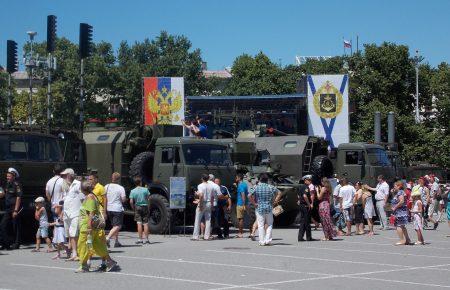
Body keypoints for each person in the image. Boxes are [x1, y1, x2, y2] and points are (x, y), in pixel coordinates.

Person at [77, 181, 117, 273]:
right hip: (91, 226)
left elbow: (91, 212)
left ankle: (84, 266)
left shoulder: (90, 197)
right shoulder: (91, 196)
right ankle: (109, 261)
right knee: (97, 245)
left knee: (82, 245)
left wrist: (89, 226)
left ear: (82, 189)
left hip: (87, 226)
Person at [249, 174, 282, 246]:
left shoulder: (256, 187)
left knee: (260, 225)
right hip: (269, 208)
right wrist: (275, 202)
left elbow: (249, 195)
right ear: (267, 180)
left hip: (259, 208)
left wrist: (254, 203)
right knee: (269, 224)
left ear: (260, 180)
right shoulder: (271, 187)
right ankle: (268, 240)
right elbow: (279, 193)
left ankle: (262, 241)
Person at [61, 168, 83, 261]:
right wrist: (62, 212)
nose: (64, 177)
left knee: (74, 234)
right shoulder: (67, 187)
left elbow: (83, 198)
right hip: (67, 214)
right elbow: (66, 200)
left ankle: (77, 253)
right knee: (70, 234)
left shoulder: (77, 184)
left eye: (65, 175)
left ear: (70, 175)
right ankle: (75, 253)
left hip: (75, 213)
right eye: (63, 176)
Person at [0, 168, 22, 250]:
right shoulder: (7, 184)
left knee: (15, 226)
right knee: (3, 225)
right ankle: (6, 244)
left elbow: (18, 197)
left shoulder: (17, 185)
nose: (7, 177)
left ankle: (17, 244)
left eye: (9, 176)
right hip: (8, 209)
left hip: (14, 208)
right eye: (7, 176)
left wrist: (16, 210)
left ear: (13, 176)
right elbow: (4, 194)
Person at [105, 172, 126, 248]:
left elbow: (104, 197)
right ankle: (107, 238)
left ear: (112, 178)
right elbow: (123, 199)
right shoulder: (121, 188)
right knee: (118, 226)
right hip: (117, 208)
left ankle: (116, 241)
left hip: (109, 208)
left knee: (114, 226)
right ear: (118, 179)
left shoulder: (107, 186)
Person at [192, 174, 214, 240]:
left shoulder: (200, 185)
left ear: (202, 178)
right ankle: (207, 236)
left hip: (203, 203)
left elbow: (201, 195)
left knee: (197, 220)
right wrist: (212, 205)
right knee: (208, 220)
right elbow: (212, 196)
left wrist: (200, 203)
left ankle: (195, 236)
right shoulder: (211, 186)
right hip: (209, 202)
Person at [129, 176, 150, 244]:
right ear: (140, 182)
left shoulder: (133, 191)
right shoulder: (145, 190)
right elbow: (148, 199)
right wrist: (148, 206)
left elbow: (131, 201)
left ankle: (140, 239)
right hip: (145, 206)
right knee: (146, 223)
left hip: (137, 207)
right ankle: (146, 239)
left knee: (139, 223)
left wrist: (133, 208)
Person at [391, 181, 411, 246]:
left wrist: (395, 207)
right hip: (400, 211)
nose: (394, 187)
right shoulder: (399, 192)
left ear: (399, 186)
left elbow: (401, 201)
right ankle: (407, 239)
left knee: (398, 225)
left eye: (395, 186)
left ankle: (402, 240)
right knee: (402, 226)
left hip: (400, 211)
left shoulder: (400, 192)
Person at [297, 175, 314, 241]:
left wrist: (299, 201)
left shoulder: (301, 187)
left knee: (303, 222)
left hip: (302, 205)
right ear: (305, 180)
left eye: (310, 180)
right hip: (305, 206)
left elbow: (298, 196)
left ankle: (300, 237)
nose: (310, 181)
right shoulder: (306, 187)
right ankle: (309, 237)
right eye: (308, 180)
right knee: (307, 222)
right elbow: (304, 196)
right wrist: (309, 204)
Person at [235, 173, 248, 238]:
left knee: (240, 219)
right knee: (245, 218)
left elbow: (243, 194)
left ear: (239, 178)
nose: (236, 179)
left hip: (240, 204)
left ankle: (240, 233)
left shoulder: (240, 185)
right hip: (245, 203)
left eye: (236, 178)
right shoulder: (245, 184)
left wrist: (243, 204)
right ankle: (251, 232)